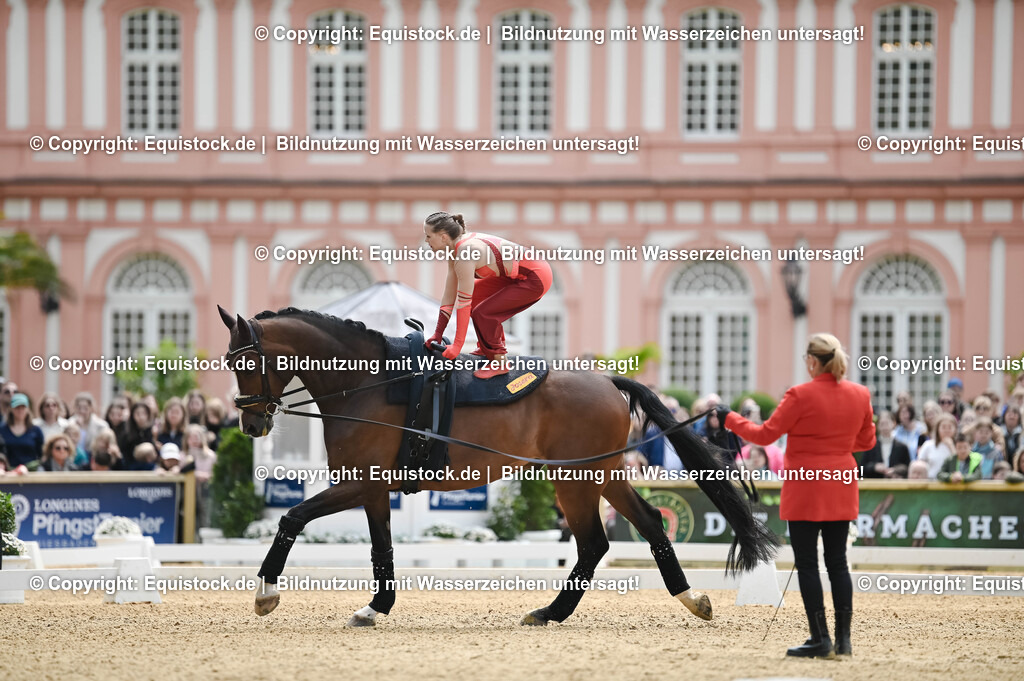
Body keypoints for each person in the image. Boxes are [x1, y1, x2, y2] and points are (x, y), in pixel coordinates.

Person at [716, 333, 874, 659]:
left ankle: (821, 639)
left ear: (813, 361)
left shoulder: (800, 395)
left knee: (807, 565)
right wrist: (837, 447)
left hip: (806, 486)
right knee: (838, 564)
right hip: (841, 482)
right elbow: (867, 441)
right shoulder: (860, 394)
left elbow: (765, 435)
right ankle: (843, 641)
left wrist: (729, 418)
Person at [422, 212, 552, 379]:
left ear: (444, 237)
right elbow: (449, 296)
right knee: (477, 300)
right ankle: (486, 347)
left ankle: (499, 361)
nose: (426, 241)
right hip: (516, 273)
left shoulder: (465, 253)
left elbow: (463, 303)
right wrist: (438, 334)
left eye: (428, 236)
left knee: (483, 313)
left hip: (536, 277)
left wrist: (457, 346)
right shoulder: (454, 251)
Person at [1, 393, 45, 470]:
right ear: (11, 409)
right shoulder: (2, 430)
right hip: (8, 473)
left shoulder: (36, 430)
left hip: (31, 472)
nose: (20, 410)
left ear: (28, 409)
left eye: (23, 407)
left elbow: (41, 454)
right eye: (17, 407)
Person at [860, 411, 910, 478]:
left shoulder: (902, 447)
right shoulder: (870, 446)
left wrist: (895, 470)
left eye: (887, 423)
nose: (884, 427)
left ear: (893, 424)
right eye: (882, 424)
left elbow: (907, 467)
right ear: (877, 426)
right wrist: (874, 467)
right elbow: (861, 468)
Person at [916, 413, 957, 479]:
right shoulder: (928, 445)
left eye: (950, 427)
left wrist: (951, 446)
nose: (946, 430)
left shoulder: (959, 446)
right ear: (938, 428)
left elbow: (960, 465)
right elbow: (919, 464)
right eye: (943, 427)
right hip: (931, 483)